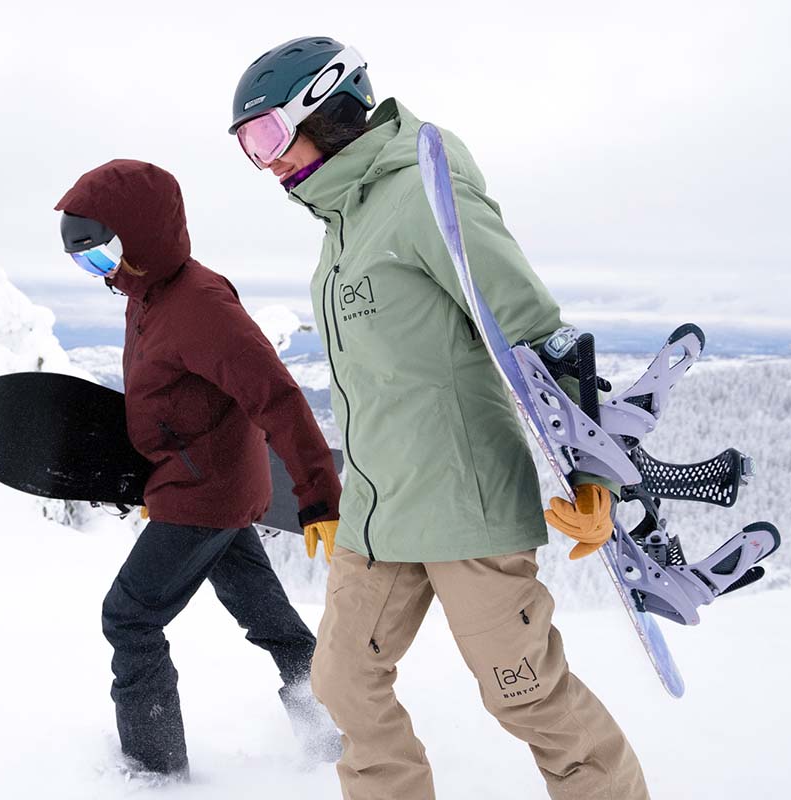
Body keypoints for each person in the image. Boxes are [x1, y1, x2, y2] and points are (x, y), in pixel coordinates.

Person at [228, 36, 648, 800]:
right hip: (379, 513)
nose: (264, 163)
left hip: (465, 503)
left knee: (525, 695)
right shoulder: (342, 229)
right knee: (344, 684)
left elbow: (531, 327)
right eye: (246, 148)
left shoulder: (424, 190)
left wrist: (594, 472)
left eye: (265, 137)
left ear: (326, 109)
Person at [54, 159, 344, 781]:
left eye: (102, 255)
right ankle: (330, 735)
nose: (100, 274)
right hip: (211, 487)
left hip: (207, 494)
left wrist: (320, 495)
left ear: (140, 236)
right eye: (85, 263)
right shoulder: (148, 293)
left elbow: (277, 396)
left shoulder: (200, 304)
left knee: (129, 617)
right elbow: (174, 407)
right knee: (271, 623)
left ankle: (154, 775)